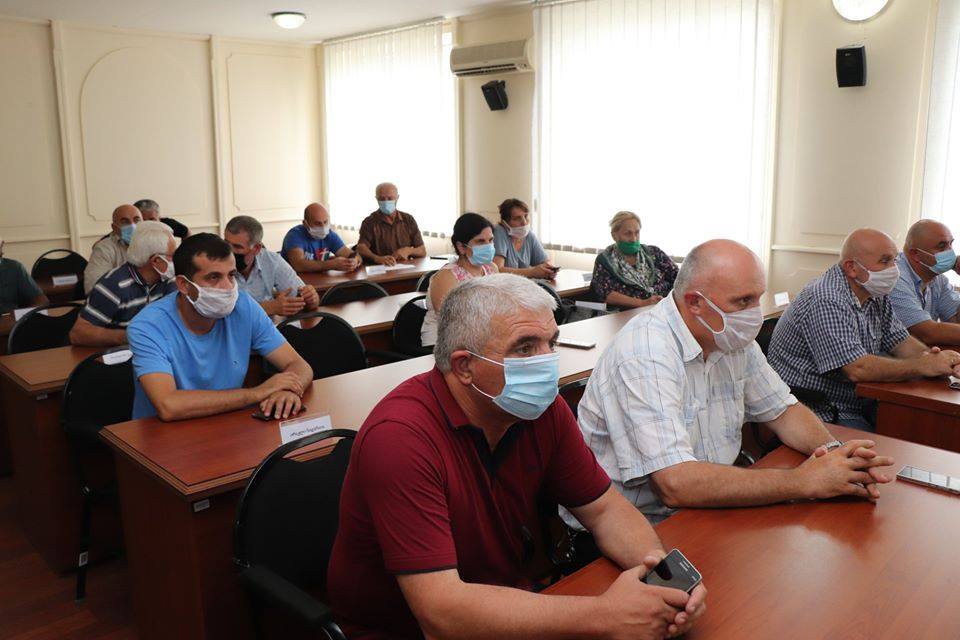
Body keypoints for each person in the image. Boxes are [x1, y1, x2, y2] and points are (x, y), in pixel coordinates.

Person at [328, 273, 707, 640]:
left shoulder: (542, 410)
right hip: (406, 629)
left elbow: (605, 510)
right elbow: (441, 614)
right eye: (525, 348)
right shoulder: (400, 438)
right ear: (464, 366)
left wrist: (662, 577)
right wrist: (606, 615)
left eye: (550, 343)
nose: (547, 362)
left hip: (506, 598)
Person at [561, 240, 895, 549]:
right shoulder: (645, 352)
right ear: (695, 302)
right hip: (636, 529)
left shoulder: (728, 336)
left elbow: (784, 411)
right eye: (743, 302)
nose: (754, 314)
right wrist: (802, 482)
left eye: (757, 298)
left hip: (705, 510)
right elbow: (675, 484)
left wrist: (838, 458)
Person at [768, 228, 960, 429]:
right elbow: (857, 369)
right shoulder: (826, 298)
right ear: (852, 268)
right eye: (884, 261)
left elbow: (900, 340)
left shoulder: (873, 290)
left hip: (860, 398)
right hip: (821, 408)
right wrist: (921, 365)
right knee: (897, 439)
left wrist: (933, 359)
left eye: (894, 261)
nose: (894, 269)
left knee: (922, 426)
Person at [127, 233, 313, 421]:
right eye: (214, 277)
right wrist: (257, 393)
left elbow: (299, 365)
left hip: (227, 422)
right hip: (163, 432)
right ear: (183, 285)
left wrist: (289, 390)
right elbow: (169, 405)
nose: (227, 287)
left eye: (231, 275)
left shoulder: (244, 306)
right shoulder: (147, 326)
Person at [70, 221, 178, 347]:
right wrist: (131, 336)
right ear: (156, 261)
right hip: (118, 352)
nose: (177, 260)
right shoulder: (114, 285)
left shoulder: (170, 280)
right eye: (173, 255)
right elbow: (78, 334)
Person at [421, 213, 499, 347]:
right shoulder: (446, 277)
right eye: (480, 241)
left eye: (491, 240)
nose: (488, 246)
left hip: (484, 336)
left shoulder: (491, 268)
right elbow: (450, 322)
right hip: (445, 342)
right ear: (461, 247)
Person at [224, 215, 319, 317]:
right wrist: (268, 307)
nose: (230, 251)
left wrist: (311, 299)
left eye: (237, 247)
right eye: (226, 244)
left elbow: (301, 299)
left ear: (256, 249)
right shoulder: (216, 264)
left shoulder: (271, 260)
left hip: (267, 326)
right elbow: (219, 313)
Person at [889, 219, 960, 345]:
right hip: (890, 355)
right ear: (915, 254)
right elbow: (928, 333)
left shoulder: (938, 278)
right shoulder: (895, 277)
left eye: (951, 244)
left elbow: (956, 320)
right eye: (942, 246)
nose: (951, 252)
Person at [591, 211, 678, 309]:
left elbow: (679, 277)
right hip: (627, 313)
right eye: (628, 234)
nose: (633, 239)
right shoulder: (605, 260)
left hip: (663, 307)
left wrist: (670, 300)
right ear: (614, 236)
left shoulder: (654, 253)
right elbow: (604, 293)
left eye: (637, 232)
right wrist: (642, 303)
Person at [356, 182, 426, 265]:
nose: (386, 202)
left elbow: (422, 251)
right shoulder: (369, 222)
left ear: (397, 198)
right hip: (380, 268)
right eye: (382, 199)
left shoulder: (408, 219)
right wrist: (377, 258)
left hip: (405, 269)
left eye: (390, 198)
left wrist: (408, 250)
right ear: (376, 199)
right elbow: (361, 248)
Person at [280, 202, 361, 273]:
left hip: (320, 280)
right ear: (305, 224)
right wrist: (331, 264)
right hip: (294, 281)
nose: (323, 227)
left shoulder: (330, 235)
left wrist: (354, 261)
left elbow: (352, 255)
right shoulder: (294, 235)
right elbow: (298, 265)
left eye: (325, 222)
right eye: (317, 223)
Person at [492, 198, 557, 279]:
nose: (524, 222)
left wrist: (549, 270)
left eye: (525, 216)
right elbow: (497, 270)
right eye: (517, 218)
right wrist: (532, 272)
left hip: (522, 284)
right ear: (505, 223)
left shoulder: (529, 235)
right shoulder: (499, 231)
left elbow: (546, 262)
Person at [85, 204, 142, 294]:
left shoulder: (153, 244)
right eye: (125, 222)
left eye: (137, 220)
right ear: (114, 228)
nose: (132, 225)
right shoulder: (103, 248)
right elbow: (94, 287)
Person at [0, 238, 47, 314]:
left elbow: (42, 301)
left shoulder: (14, 267)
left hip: (10, 318)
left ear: (2, 245)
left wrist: (21, 315)